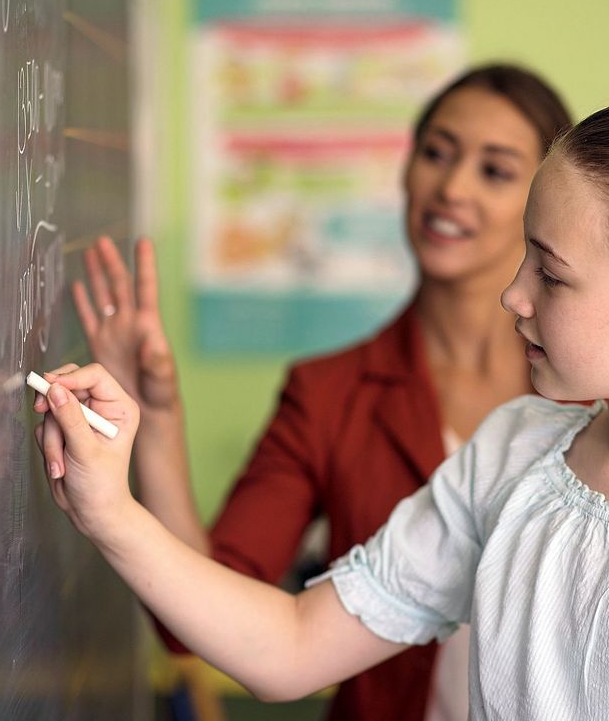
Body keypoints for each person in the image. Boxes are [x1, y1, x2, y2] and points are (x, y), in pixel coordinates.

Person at [35, 92, 609, 719]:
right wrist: (110, 510)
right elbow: (291, 647)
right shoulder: (516, 453)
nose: (513, 296)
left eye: (551, 274)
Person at [70, 63, 573, 719]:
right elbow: (198, 616)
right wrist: (156, 421)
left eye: (495, 171)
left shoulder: (592, 396)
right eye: (436, 154)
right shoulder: (330, 392)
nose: (452, 188)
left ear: (544, 202)